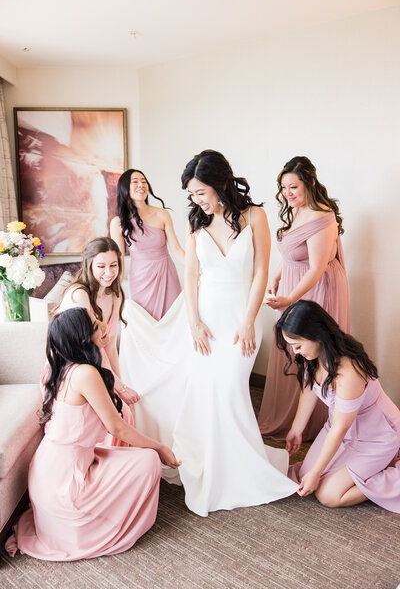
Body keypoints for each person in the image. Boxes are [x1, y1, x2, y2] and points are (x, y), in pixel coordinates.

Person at [119, 149, 298, 517]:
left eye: (200, 192)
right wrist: (193, 321)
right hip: (206, 316)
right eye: (191, 194)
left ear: (220, 183)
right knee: (209, 391)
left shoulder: (255, 216)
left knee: (230, 387)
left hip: (241, 315)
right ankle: (217, 465)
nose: (196, 199)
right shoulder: (195, 221)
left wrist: (249, 319)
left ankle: (241, 467)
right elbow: (190, 275)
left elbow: (261, 271)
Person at [5, 308, 181, 561]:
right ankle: (105, 525)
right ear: (83, 336)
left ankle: (101, 512)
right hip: (66, 482)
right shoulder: (85, 373)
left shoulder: (63, 366)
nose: (103, 327)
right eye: (96, 325)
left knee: (127, 456)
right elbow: (117, 427)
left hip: (50, 470)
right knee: (149, 460)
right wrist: (160, 448)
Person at [275, 300, 400, 512]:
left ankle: (390, 467)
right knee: (306, 474)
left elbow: (340, 429)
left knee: (328, 494)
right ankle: (374, 465)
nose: (295, 352)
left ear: (317, 335)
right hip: (342, 429)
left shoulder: (349, 372)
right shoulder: (313, 356)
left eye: (298, 346)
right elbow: (309, 389)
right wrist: (296, 429)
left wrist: (316, 473)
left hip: (377, 436)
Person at [258, 156, 350, 441]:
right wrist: (276, 276)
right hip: (293, 285)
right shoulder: (296, 210)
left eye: (293, 186)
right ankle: (291, 416)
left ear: (309, 182)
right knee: (292, 348)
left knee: (313, 351)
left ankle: (315, 422)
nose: (288, 193)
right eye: (284, 187)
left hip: (315, 288)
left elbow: (317, 268)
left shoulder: (322, 216)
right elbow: (291, 252)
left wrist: (289, 300)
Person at [55, 237, 138, 440]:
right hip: (74, 368)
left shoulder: (115, 295)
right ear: (89, 264)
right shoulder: (79, 295)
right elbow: (88, 349)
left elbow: (109, 348)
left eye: (113, 265)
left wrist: (120, 385)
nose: (109, 273)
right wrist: (119, 387)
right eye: (101, 266)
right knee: (119, 412)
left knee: (126, 407)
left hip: (98, 364)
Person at [110, 168, 184, 321]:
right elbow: (119, 260)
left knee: (172, 321)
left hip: (166, 275)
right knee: (143, 323)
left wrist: (197, 266)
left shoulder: (162, 214)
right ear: (125, 188)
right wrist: (114, 289)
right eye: (135, 182)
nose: (141, 185)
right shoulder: (117, 223)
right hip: (140, 279)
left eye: (144, 181)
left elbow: (176, 250)